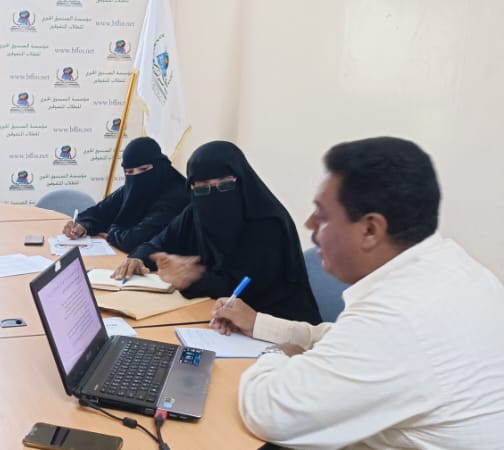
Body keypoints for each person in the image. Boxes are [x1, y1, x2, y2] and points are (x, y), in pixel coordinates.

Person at [211, 137, 504, 448]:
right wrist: (260, 324)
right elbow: (343, 339)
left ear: (370, 230)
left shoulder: (398, 318)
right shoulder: (450, 268)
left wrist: (277, 353)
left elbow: (268, 412)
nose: (309, 224)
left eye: (322, 215)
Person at [113, 141, 321, 323]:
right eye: (202, 188)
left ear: (242, 179)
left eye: (225, 185)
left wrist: (192, 278)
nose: (213, 195)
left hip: (277, 326)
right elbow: (157, 244)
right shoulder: (195, 212)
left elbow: (243, 288)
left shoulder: (267, 223)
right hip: (219, 320)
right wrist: (138, 258)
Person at [62, 137, 189, 253]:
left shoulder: (177, 196)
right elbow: (100, 211)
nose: (136, 175)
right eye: (129, 172)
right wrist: (83, 225)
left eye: (144, 169)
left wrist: (111, 231)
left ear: (160, 164)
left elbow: (134, 240)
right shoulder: (132, 187)